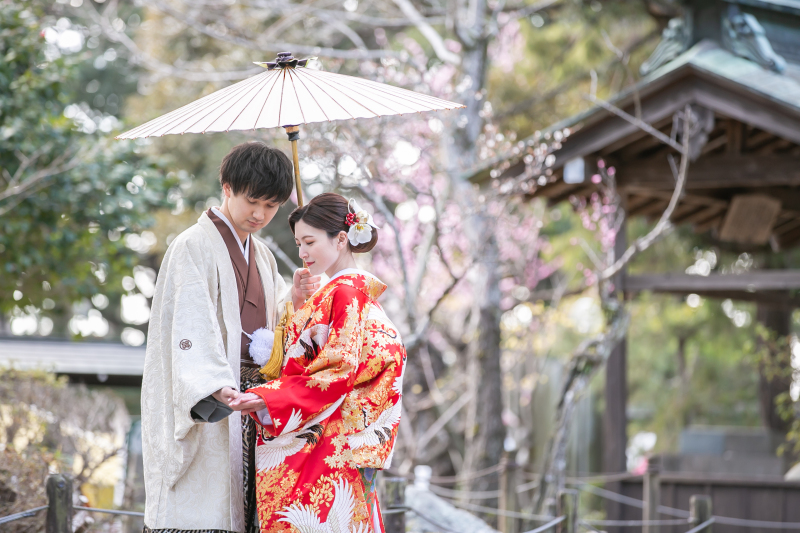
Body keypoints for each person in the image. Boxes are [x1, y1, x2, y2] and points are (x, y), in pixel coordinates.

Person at [141, 142, 320, 533]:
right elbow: (189, 325)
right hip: (217, 397)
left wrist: (296, 297)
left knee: (248, 509)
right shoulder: (192, 245)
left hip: (253, 401)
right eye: (252, 201)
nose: (259, 215)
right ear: (226, 186)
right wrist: (213, 383)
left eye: (271, 206)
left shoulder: (264, 257)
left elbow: (273, 322)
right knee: (207, 505)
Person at [231, 193, 406, 533]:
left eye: (309, 241)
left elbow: (337, 369)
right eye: (298, 243)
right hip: (342, 443)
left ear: (341, 239)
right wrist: (300, 303)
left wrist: (270, 398)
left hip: (327, 442)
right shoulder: (343, 294)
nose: (302, 253)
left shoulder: (345, 294)